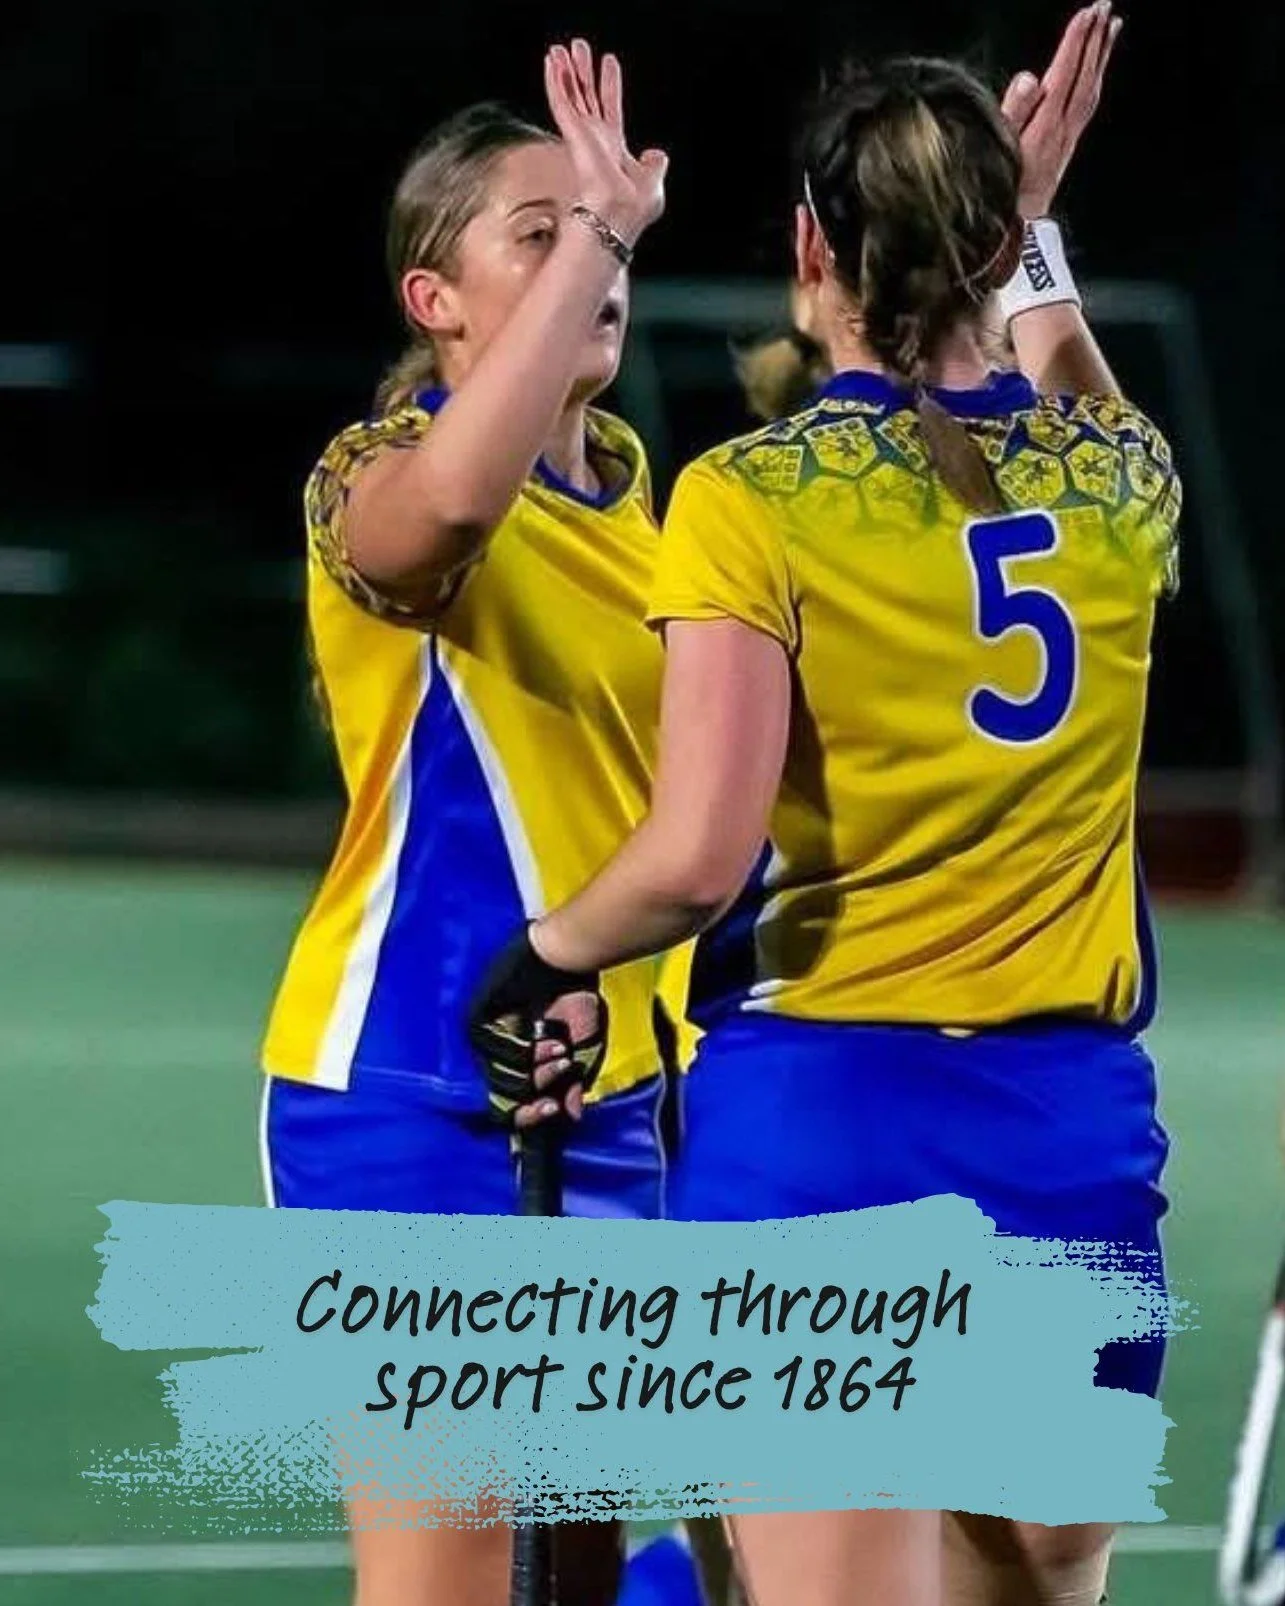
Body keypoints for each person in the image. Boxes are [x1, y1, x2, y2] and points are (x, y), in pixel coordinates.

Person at [471, 6, 1180, 1604]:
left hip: (827, 1137)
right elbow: (1077, 393)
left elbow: (696, 858)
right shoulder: (1124, 488)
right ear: (1000, 249)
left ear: (811, 243)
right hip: (1074, 1139)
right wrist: (1037, 244)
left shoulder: (749, 500)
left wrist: (548, 954)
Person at [257, 42, 682, 1606]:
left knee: (601, 1580)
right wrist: (608, 234)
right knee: (444, 1583)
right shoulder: (374, 476)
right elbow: (442, 513)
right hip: (410, 1098)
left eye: (609, 224)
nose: (596, 249)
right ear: (435, 302)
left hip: (624, 1106)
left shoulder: (667, 517)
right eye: (543, 229)